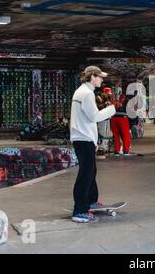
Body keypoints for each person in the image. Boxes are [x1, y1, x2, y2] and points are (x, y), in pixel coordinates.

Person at [70, 66, 116, 223]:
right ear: (92, 77)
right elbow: (94, 117)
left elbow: (86, 119)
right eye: (100, 77)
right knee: (85, 175)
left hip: (84, 138)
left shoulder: (82, 92)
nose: (102, 80)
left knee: (91, 172)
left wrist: (94, 141)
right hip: (83, 138)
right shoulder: (87, 94)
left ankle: (91, 201)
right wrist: (111, 110)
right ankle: (79, 211)